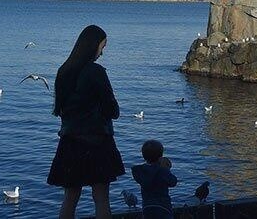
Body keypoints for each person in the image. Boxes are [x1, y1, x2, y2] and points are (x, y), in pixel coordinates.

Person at [47, 25, 125, 219]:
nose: (102, 53)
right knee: (101, 198)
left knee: (70, 198)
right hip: (97, 141)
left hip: (70, 141)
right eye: (102, 47)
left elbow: (62, 108)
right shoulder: (96, 72)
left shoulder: (63, 71)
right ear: (93, 46)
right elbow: (112, 110)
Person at [132, 139, 178, 219]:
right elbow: (173, 182)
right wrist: (167, 169)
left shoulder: (141, 171)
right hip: (163, 206)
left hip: (147, 207)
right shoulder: (162, 171)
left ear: (143, 155)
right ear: (160, 156)